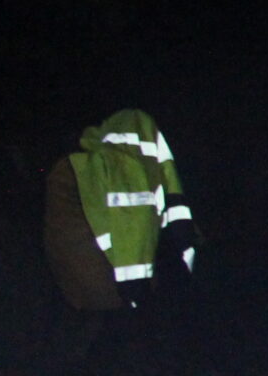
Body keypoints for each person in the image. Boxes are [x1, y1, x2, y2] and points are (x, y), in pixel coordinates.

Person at [43, 109, 199, 311]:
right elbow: (131, 218)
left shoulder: (69, 169)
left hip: (76, 294)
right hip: (115, 293)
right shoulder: (117, 163)